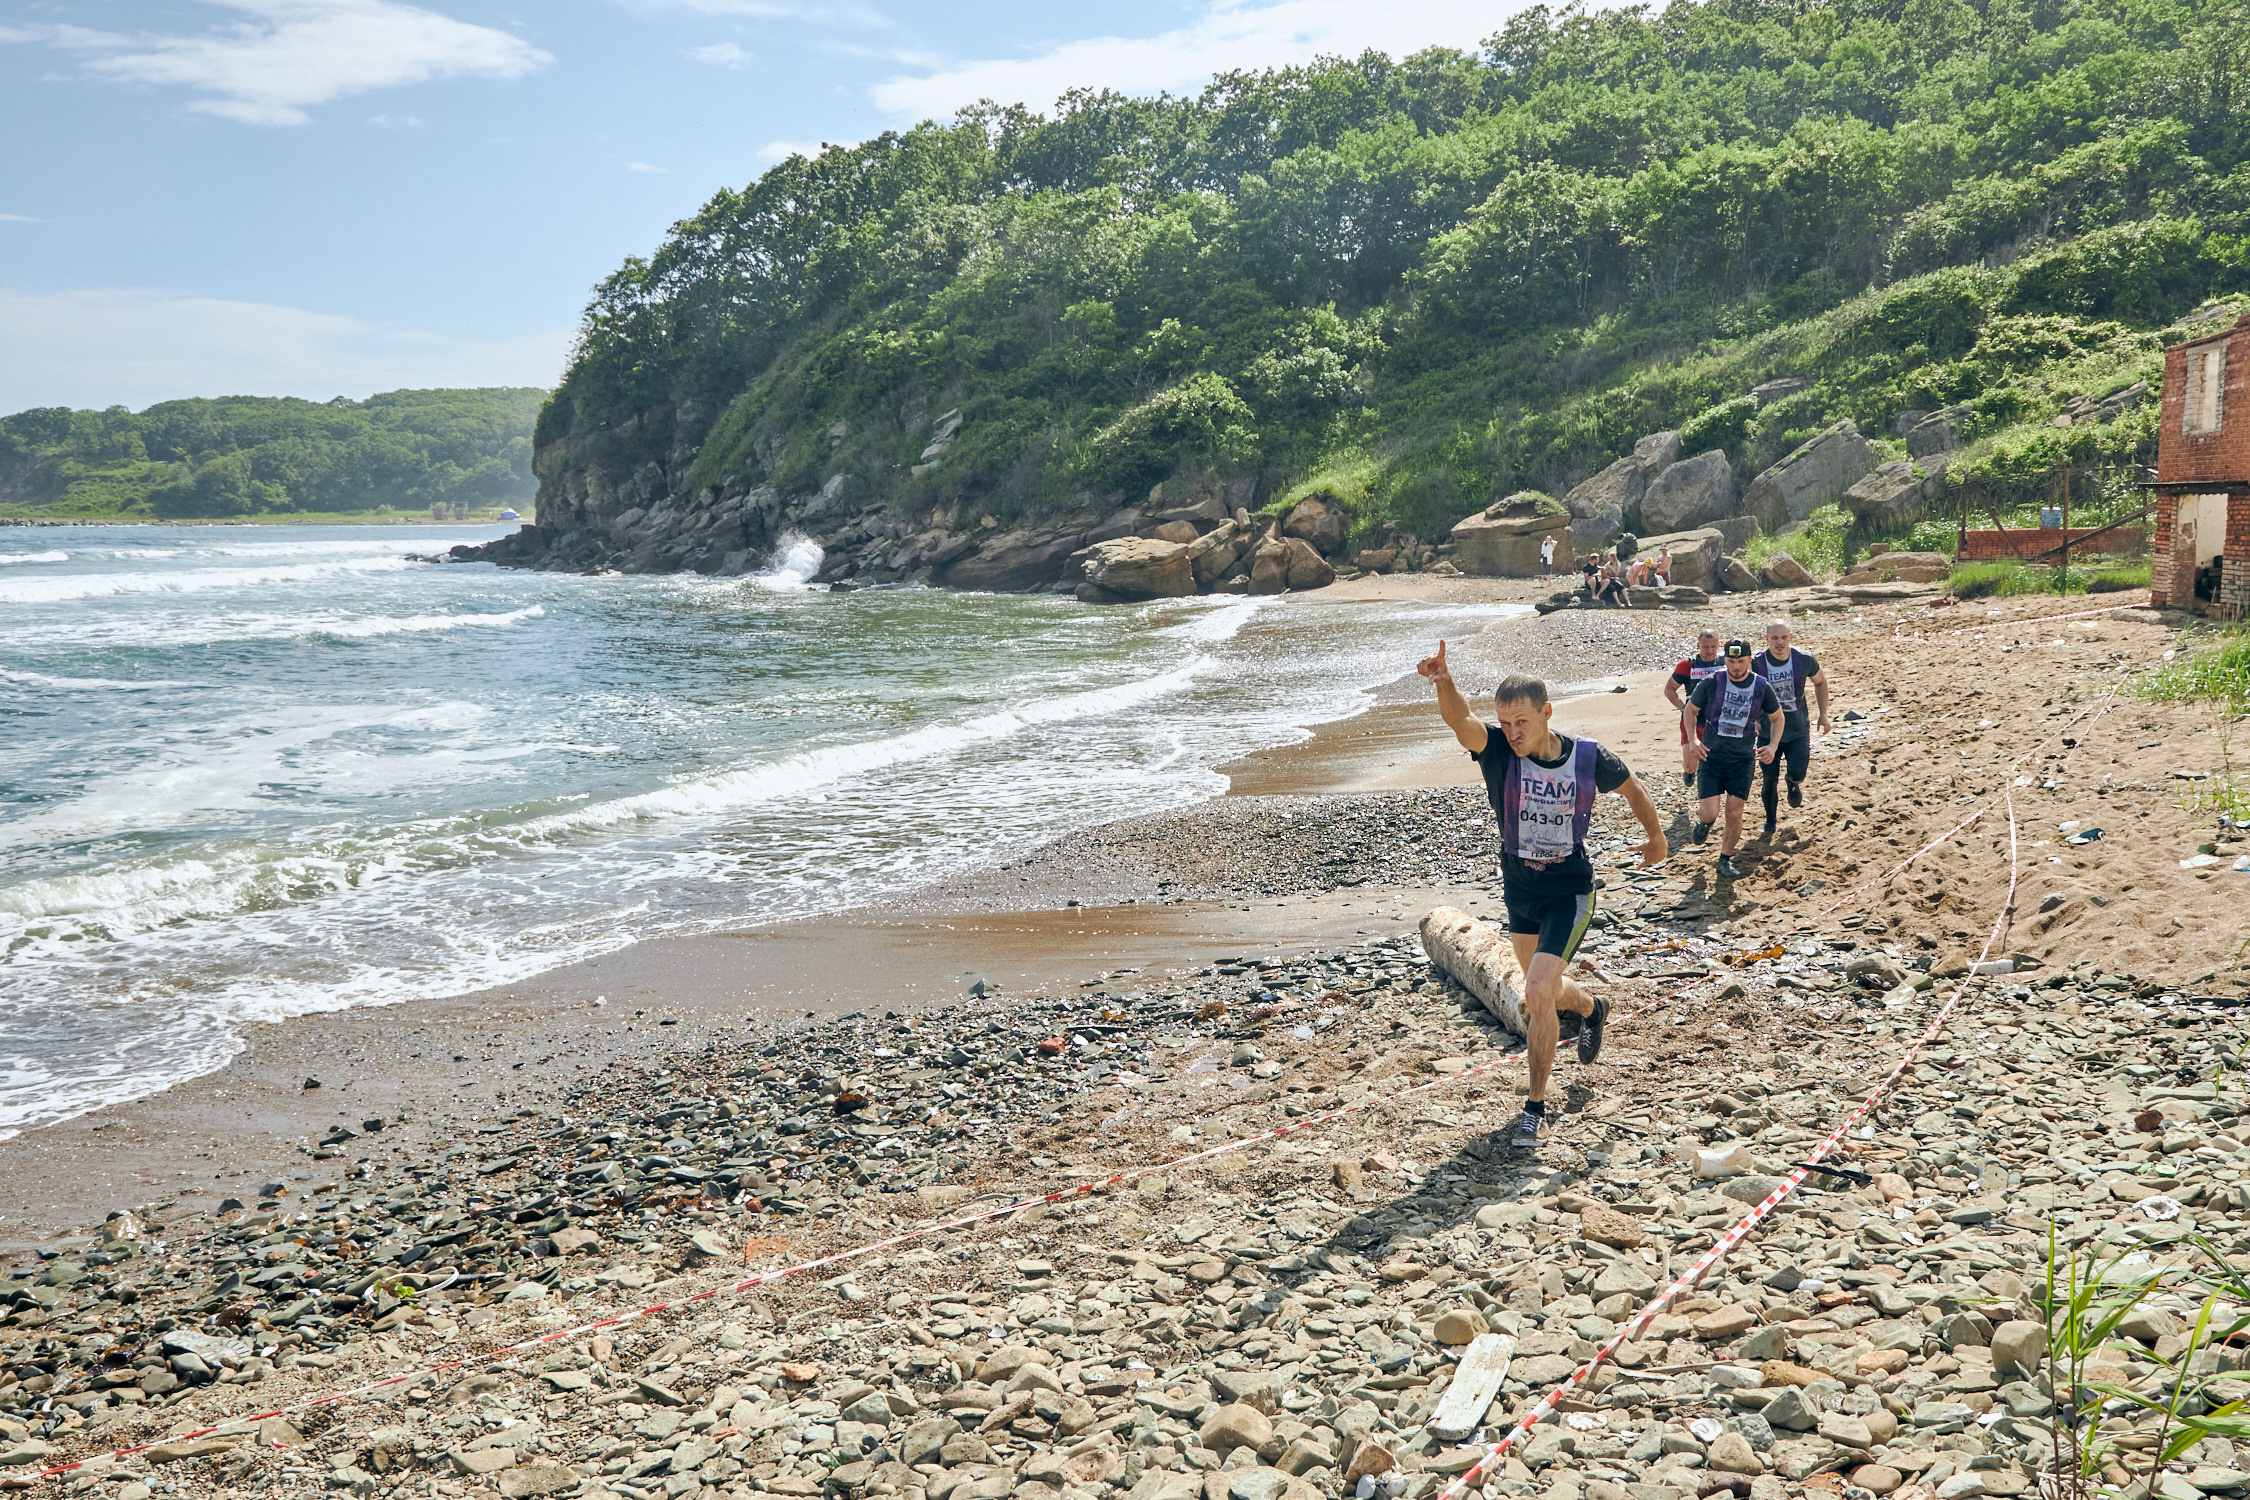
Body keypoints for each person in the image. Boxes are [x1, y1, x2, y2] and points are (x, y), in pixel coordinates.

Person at [1417, 642, 1668, 1149]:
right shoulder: (1495, 751)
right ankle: (1593, 1008)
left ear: (1547, 712)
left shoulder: (1588, 757)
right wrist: (1444, 681)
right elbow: (1459, 720)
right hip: (1520, 889)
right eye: (1505, 723)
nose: (1511, 734)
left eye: (1522, 723)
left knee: (1534, 993)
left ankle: (1535, 1108)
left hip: (1569, 890)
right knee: (1546, 990)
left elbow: (1634, 788)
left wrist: (1657, 836)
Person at [1684, 639, 1783, 879]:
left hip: (1742, 759)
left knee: (1734, 811)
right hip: (1711, 756)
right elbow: (1690, 710)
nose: (1736, 667)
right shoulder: (1712, 682)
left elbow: (1778, 718)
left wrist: (1772, 745)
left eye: (1741, 661)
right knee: (1709, 813)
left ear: (1750, 660)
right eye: (1731, 661)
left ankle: (1724, 859)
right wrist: (1693, 741)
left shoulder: (1761, 686)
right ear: (1724, 660)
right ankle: (1704, 824)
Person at [1752, 619, 1831, 837]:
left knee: (1798, 772)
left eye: (1784, 637)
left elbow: (1820, 682)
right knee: (1769, 779)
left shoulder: (1803, 659)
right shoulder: (1757, 663)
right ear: (1766, 639)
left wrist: (1823, 715)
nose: (1779, 643)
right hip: (1768, 734)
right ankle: (1770, 821)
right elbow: (1745, 691)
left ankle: (1793, 783)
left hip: (1797, 730)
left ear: (1791, 638)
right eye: (1774, 638)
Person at [1664, 629, 1726, 787]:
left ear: (1719, 645)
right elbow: (1669, 689)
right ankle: (1690, 773)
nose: (1710, 651)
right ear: (1698, 645)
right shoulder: (1687, 665)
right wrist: (1683, 708)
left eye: (1713, 646)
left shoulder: (1725, 663)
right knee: (1691, 764)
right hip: (1693, 721)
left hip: (1719, 721)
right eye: (1705, 647)